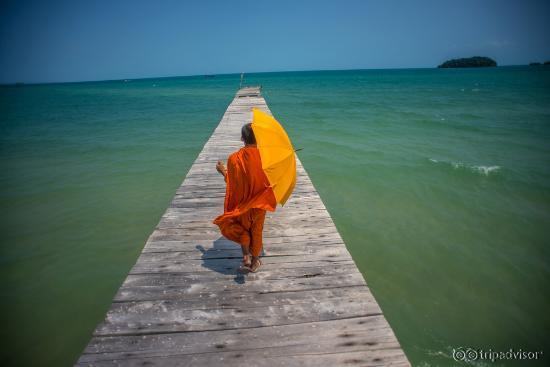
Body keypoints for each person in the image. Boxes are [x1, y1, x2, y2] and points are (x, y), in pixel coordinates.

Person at [213, 123, 276, 273]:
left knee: (242, 229)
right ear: (259, 139)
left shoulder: (234, 159)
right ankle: (254, 262)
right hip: (260, 203)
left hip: (243, 204)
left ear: (242, 138)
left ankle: (245, 255)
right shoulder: (267, 158)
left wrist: (223, 171)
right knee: (257, 230)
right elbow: (272, 181)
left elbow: (234, 184)